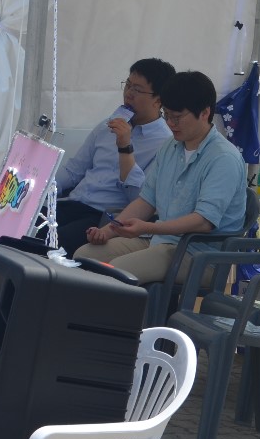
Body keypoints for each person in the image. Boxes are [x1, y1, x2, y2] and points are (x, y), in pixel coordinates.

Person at [75, 70, 248, 284]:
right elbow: (146, 200)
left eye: (177, 117)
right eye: (167, 115)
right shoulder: (171, 147)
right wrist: (109, 230)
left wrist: (147, 227)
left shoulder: (223, 158)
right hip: (160, 240)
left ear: (204, 113)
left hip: (200, 254)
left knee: (117, 272)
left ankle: (124, 306)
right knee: (84, 256)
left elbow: (203, 222)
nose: (170, 123)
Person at [53, 58, 176, 249]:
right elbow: (73, 170)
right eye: (128, 85)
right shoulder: (107, 125)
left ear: (158, 100)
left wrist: (125, 147)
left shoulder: (165, 143)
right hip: (73, 202)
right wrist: (43, 190)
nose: (129, 94)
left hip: (104, 216)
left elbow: (141, 199)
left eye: (137, 90)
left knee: (55, 241)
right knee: (23, 226)